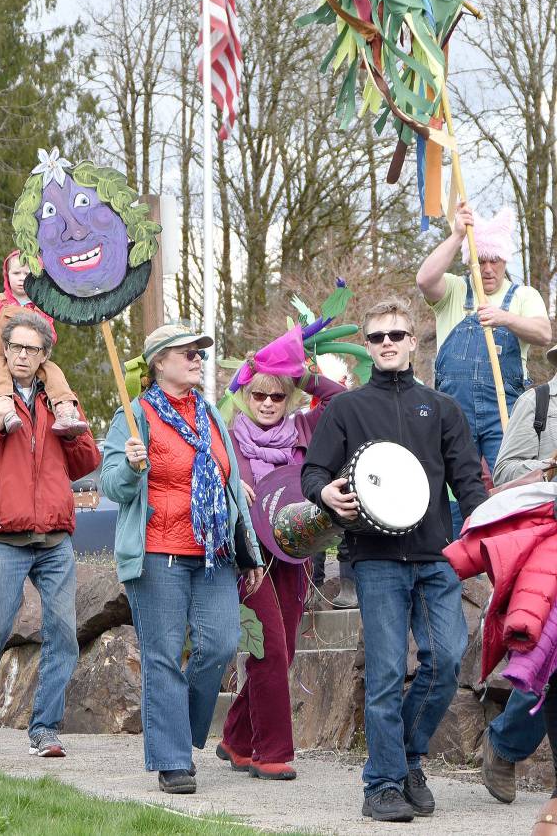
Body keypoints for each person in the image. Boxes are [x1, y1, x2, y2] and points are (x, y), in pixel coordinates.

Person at [301, 298, 487, 822]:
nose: (387, 343)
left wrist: (487, 532)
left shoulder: (443, 409)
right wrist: (326, 496)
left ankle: (407, 759)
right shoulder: (345, 409)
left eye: (396, 335)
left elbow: (468, 483)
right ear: (367, 345)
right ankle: (381, 784)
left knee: (446, 660)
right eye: (377, 337)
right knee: (384, 673)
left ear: (412, 342)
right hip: (375, 559)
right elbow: (313, 474)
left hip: (436, 558)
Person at [101, 323, 263, 795]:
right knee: (163, 657)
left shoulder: (210, 415)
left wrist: (247, 549)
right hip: (156, 554)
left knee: (220, 643)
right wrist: (131, 467)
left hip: (212, 553)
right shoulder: (134, 417)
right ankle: (173, 760)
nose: (197, 359)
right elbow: (111, 485)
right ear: (159, 362)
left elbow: (231, 488)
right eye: (187, 352)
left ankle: (176, 727)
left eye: (199, 352)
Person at [0, 311, 99, 758]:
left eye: (32, 348)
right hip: (0, 538)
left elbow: (87, 464)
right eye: (15, 347)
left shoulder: (61, 400)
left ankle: (45, 728)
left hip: (53, 537)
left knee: (63, 632)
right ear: (4, 351)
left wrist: (72, 430)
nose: (22, 355)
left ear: (45, 354)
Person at [218, 361, 345, 780]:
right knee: (267, 647)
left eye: (278, 395)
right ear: (244, 396)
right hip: (248, 557)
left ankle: (235, 737)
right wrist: (233, 485)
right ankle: (270, 752)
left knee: (282, 650)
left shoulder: (304, 429)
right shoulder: (227, 435)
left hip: (294, 555)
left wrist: (300, 374)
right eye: (259, 395)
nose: (269, 403)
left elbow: (339, 399)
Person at [416, 203, 551, 536]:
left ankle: (511, 552)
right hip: (452, 412)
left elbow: (544, 333)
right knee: (450, 484)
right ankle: (453, 559)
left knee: (512, 483)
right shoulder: (456, 291)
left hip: (504, 411)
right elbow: (424, 279)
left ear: (506, 261)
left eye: (495, 261)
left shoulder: (524, 295)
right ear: (470, 260)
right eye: (481, 260)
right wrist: (458, 234)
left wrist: (504, 318)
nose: (488, 269)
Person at [475, 344, 557, 804]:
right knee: (548, 662)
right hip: (545, 545)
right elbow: (504, 470)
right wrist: (551, 466)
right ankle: (505, 743)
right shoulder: (539, 402)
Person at [0, 250, 86, 436]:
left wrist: (43, 335)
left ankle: (64, 411)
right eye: (16, 273)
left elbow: (52, 337)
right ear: (7, 275)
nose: (22, 278)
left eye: (27, 274)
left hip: (32, 357)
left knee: (54, 372)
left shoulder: (42, 306)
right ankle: (6, 412)